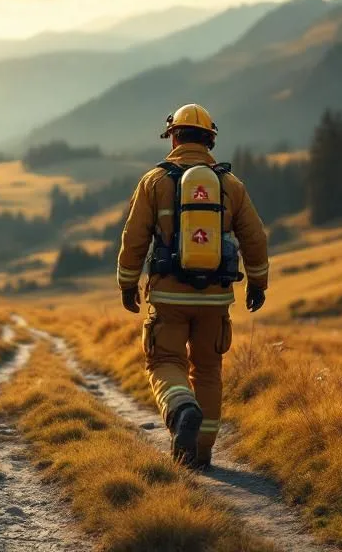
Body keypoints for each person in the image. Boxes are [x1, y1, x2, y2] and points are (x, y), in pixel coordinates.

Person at [116, 103, 270, 469]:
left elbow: (134, 237)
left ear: (173, 136)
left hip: (168, 295)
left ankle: (181, 407)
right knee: (207, 369)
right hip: (215, 298)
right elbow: (255, 238)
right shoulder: (230, 185)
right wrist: (257, 284)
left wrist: (127, 283)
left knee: (165, 360)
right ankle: (199, 455)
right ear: (210, 140)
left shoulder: (154, 180)